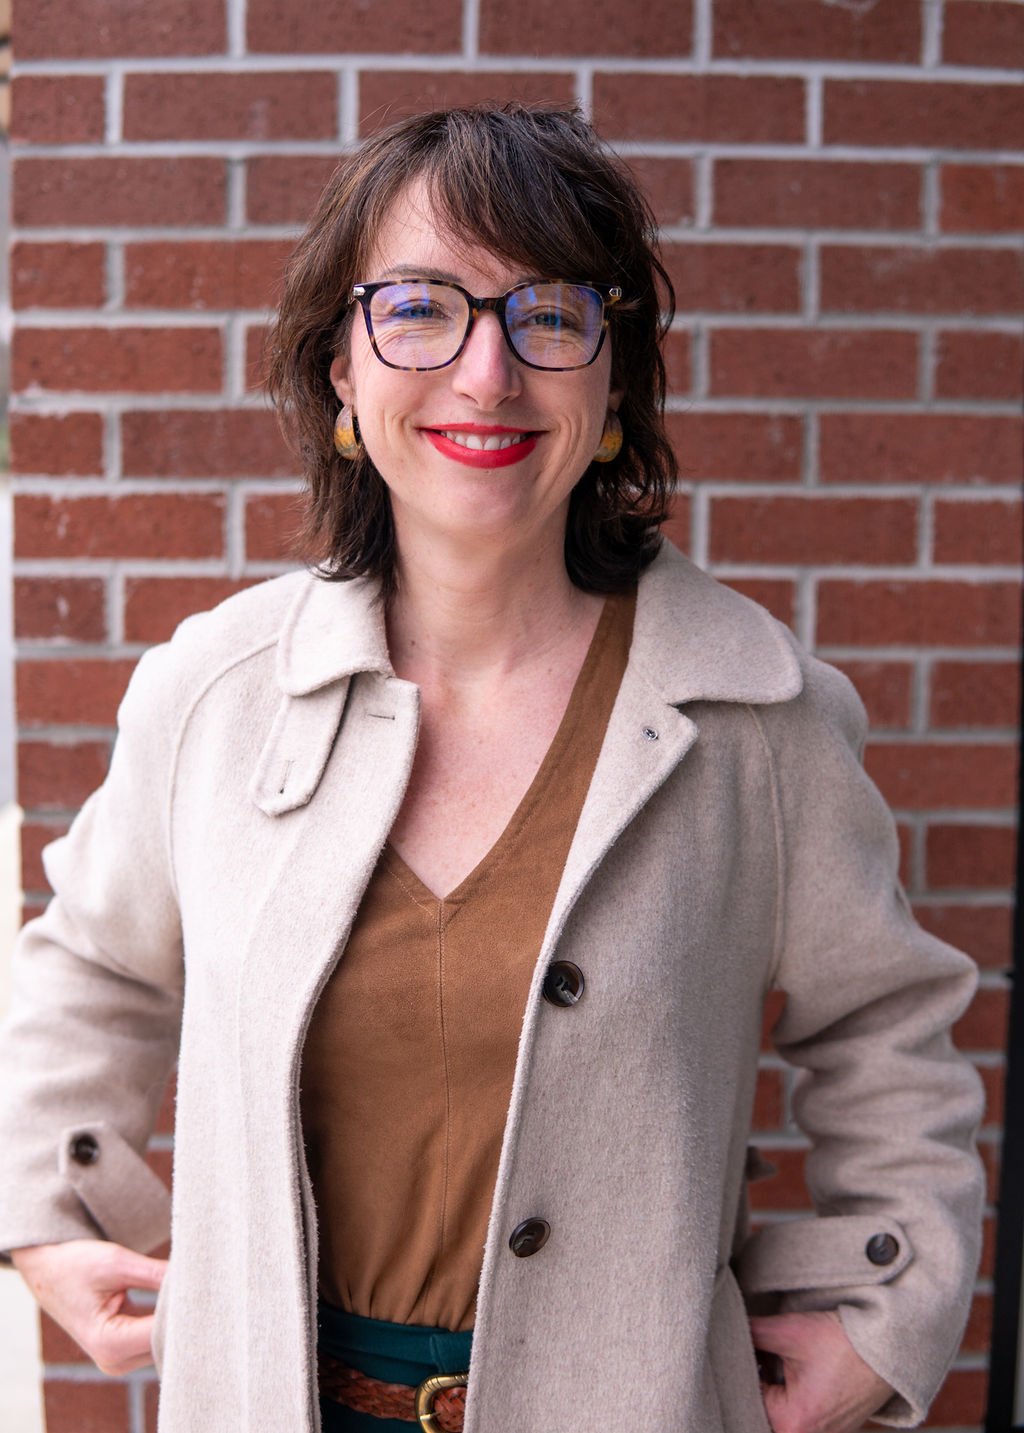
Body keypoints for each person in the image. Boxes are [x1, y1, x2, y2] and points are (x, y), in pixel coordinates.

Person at [0, 105, 983, 1433]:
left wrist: (887, 1305)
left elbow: (886, 1030)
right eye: (420, 310)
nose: (486, 374)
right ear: (341, 369)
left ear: (616, 379)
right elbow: (91, 969)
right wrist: (45, 1214)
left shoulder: (761, 719)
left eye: (550, 316)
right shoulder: (214, 695)